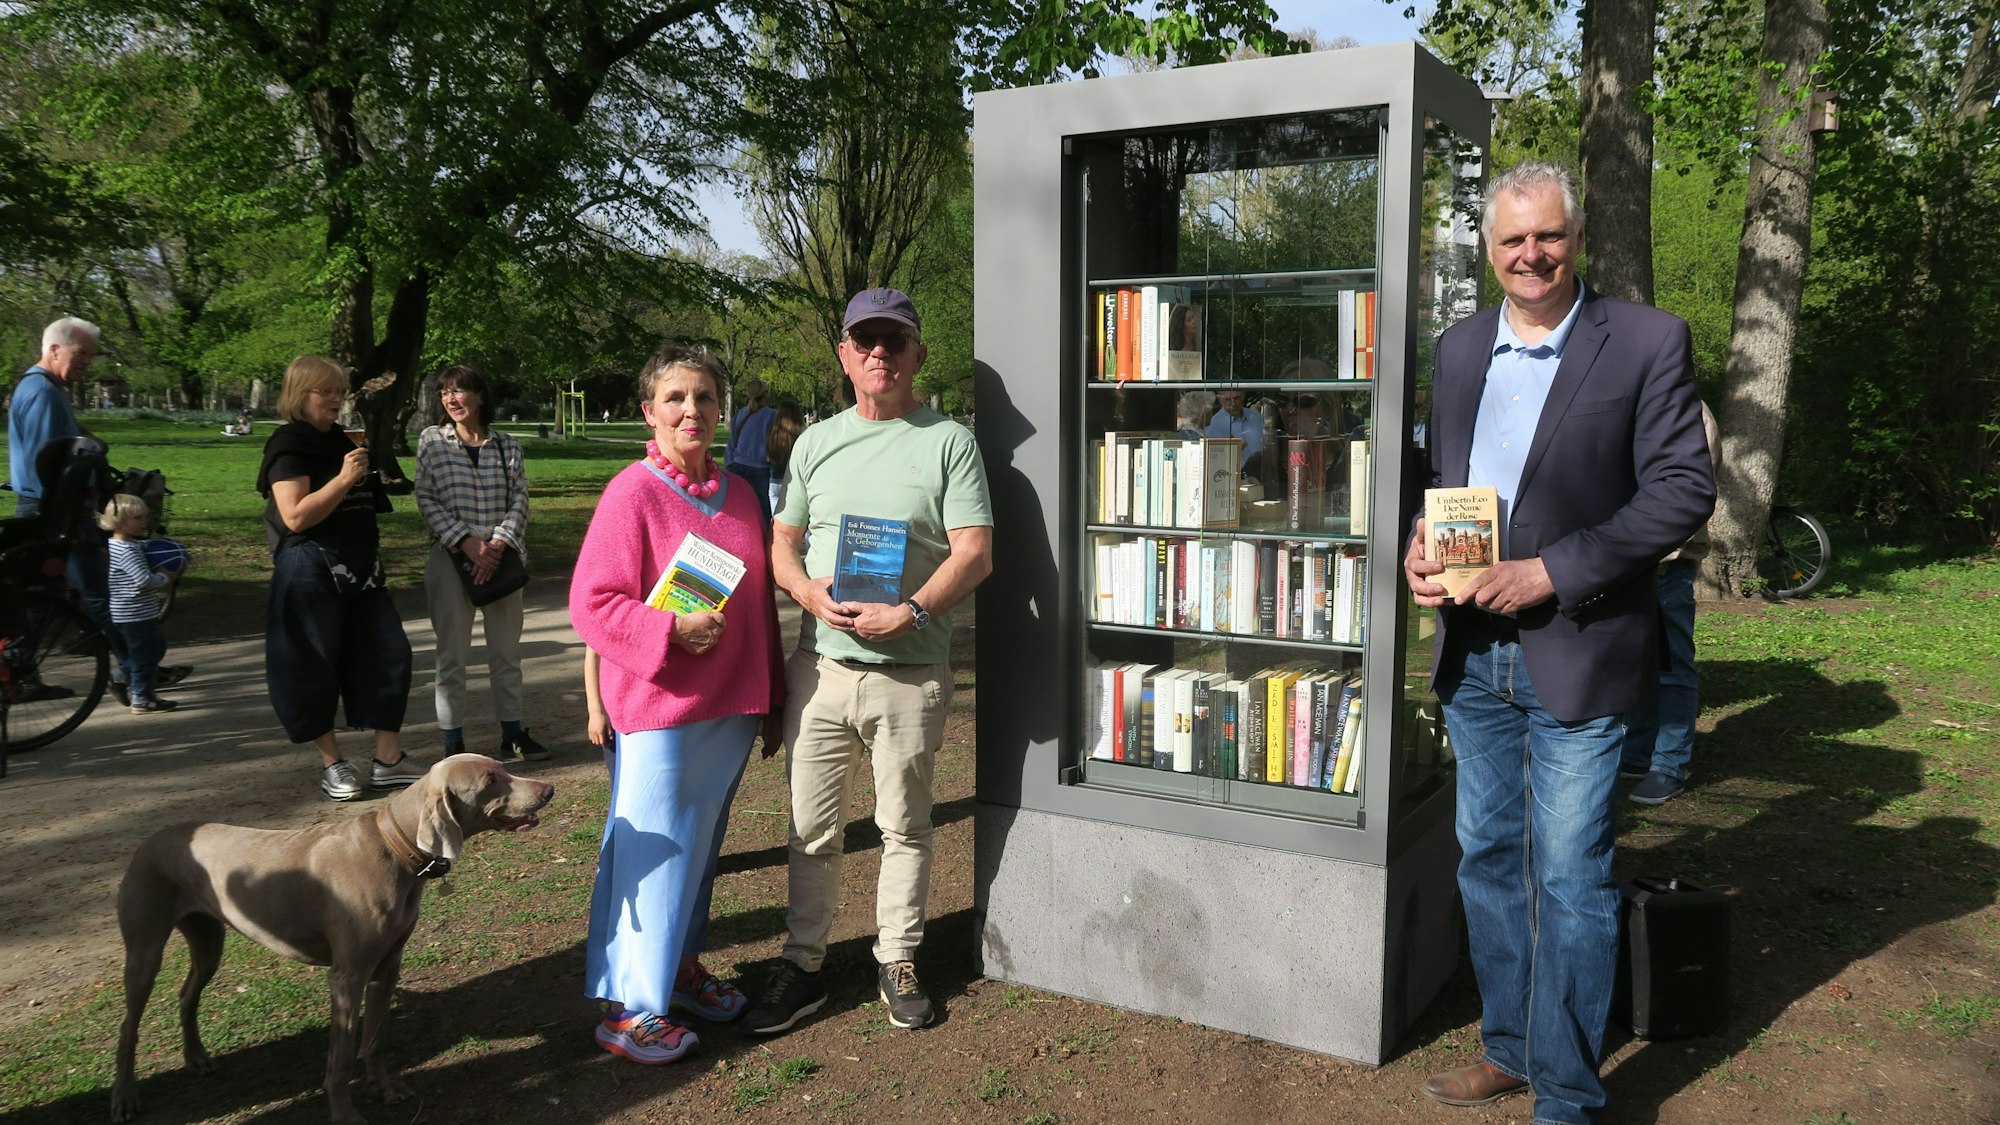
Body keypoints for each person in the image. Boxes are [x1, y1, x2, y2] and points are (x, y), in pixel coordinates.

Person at [1401, 161, 1715, 1124]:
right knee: (1488, 863)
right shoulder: (1459, 349)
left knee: (1572, 878)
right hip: (1474, 658)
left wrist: (1552, 571)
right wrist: (1422, 545)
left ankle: (1569, 1096)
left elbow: (1680, 489)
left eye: (1549, 236)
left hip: (1581, 649)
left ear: (1577, 239)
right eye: (1512, 241)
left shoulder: (1647, 341)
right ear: (1488, 250)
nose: (1531, 255)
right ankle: (1511, 1046)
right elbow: (1440, 476)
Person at [742, 287, 993, 1036]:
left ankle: (899, 956)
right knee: (810, 831)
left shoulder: (949, 440)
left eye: (894, 340)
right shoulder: (816, 441)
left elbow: (976, 550)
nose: (879, 352)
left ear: (917, 354)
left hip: (909, 672)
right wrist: (805, 588)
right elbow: (782, 542)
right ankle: (803, 963)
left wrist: (912, 609)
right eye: (865, 340)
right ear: (845, 354)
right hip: (820, 669)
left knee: (905, 827)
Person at [569, 344, 786, 1066]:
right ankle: (629, 1007)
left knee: (697, 855)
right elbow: (593, 605)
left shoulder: (744, 495)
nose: (691, 409)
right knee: (650, 854)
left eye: (704, 397)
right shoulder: (632, 492)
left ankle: (680, 970)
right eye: (675, 398)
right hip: (657, 710)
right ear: (650, 412)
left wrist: (772, 696)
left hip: (728, 712)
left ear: (722, 410)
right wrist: (670, 630)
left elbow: (757, 610)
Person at [257, 355, 423, 801]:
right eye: (324, 391)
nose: (335, 399)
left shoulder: (341, 439)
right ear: (299, 395)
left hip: (361, 568)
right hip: (309, 568)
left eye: (338, 391)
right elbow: (295, 516)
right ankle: (333, 763)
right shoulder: (288, 443)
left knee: (390, 653)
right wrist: (346, 478)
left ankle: (389, 760)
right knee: (310, 666)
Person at [416, 364, 545, 761]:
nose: (452, 399)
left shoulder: (506, 445)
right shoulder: (432, 441)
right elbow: (426, 497)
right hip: (450, 559)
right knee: (451, 655)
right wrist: (465, 542)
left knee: (506, 653)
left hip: (501, 560)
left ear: (480, 397)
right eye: (444, 393)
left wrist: (496, 545)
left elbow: (520, 500)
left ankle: (512, 733)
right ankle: (453, 741)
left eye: (459, 391)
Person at [1621, 401, 1722, 805]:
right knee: (1634, 662)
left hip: (1666, 565)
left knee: (1672, 664)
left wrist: (1653, 550)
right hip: (1618, 563)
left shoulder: (1691, 412)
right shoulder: (1622, 398)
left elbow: (1692, 493)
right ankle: (1638, 752)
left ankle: (1669, 765)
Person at [101, 494, 180, 714]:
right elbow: (144, 580)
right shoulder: (127, 551)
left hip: (134, 612)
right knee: (145, 658)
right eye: (137, 518)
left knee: (152, 650)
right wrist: (165, 577)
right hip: (135, 614)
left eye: (145, 517)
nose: (144, 522)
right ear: (118, 522)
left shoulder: (121, 545)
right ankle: (142, 698)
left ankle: (118, 677)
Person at [723, 377, 777, 523]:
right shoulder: (772, 415)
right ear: (765, 394)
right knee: (763, 512)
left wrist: (729, 462)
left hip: (737, 465)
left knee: (740, 510)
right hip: (759, 468)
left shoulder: (741, 413)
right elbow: (776, 442)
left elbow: (732, 440)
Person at [764, 397, 807, 515]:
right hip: (793, 483)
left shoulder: (773, 434)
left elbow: (768, 456)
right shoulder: (802, 435)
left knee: (776, 524)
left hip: (774, 481)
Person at [1204, 388, 1263, 469]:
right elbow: (1217, 461)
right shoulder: (1215, 423)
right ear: (1220, 399)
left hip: (1261, 471)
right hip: (1235, 475)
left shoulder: (1255, 416)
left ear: (1243, 396)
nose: (1233, 404)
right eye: (1228, 399)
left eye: (1236, 398)